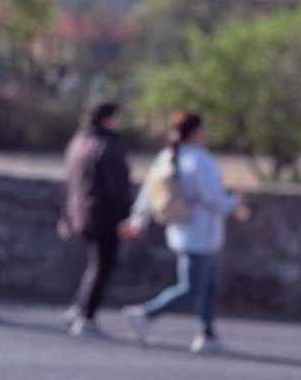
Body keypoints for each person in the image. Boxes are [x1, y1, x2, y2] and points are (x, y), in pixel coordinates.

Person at [119, 112, 251, 354]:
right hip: (201, 233)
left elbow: (149, 192)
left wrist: (138, 219)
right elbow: (213, 198)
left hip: (184, 230)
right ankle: (144, 314)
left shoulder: (168, 156)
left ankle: (207, 334)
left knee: (207, 286)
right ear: (195, 132)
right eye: (204, 129)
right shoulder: (201, 161)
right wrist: (235, 204)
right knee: (192, 289)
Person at [60, 102, 132, 337]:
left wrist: (66, 215)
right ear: (107, 119)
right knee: (102, 266)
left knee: (96, 265)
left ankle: (79, 308)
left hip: (81, 213)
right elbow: (117, 188)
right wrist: (126, 217)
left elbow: (69, 184)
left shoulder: (78, 142)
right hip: (104, 215)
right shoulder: (108, 145)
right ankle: (86, 317)